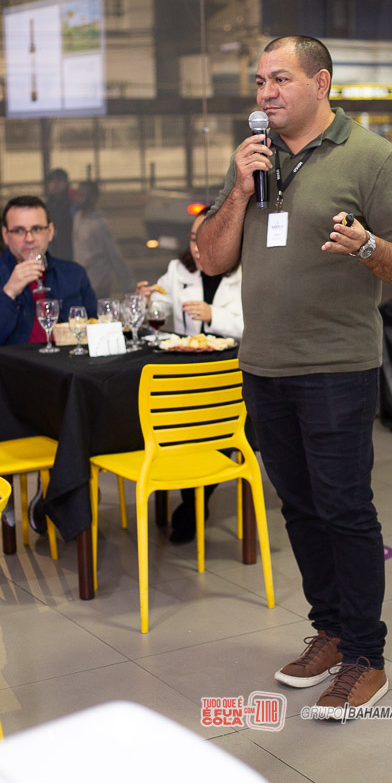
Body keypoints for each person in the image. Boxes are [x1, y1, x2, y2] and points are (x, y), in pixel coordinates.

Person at [198, 35, 392, 718]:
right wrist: (240, 189)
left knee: (344, 511)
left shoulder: (372, 158)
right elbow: (211, 256)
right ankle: (329, 631)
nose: (265, 93)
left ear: (321, 82)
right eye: (259, 81)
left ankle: (365, 656)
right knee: (298, 510)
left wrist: (367, 245)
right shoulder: (255, 158)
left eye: (280, 79)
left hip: (335, 368)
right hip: (263, 367)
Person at [137, 209, 244, 543]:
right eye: (195, 239)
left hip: (228, 375)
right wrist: (148, 300)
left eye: (208, 239)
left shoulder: (248, 270)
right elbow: (161, 308)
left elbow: (257, 324)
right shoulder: (178, 269)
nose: (198, 248)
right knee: (173, 423)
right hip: (187, 374)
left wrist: (214, 315)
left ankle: (196, 500)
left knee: (217, 426)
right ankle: (192, 496)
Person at [0, 194, 97, 414]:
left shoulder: (74, 274)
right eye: (19, 231)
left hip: (68, 387)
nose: (29, 238)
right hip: (8, 392)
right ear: (5, 235)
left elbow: (94, 330)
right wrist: (9, 292)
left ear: (50, 231)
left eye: (36, 229)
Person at [72, 181, 133, 299]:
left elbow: (114, 254)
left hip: (98, 283)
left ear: (93, 198)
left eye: (82, 195)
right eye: (77, 194)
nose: (77, 198)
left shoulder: (100, 224)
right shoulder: (78, 218)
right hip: (82, 281)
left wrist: (128, 286)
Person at [44, 167, 74, 259]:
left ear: (66, 183)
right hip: (52, 246)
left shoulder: (72, 203)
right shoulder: (47, 205)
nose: (55, 184)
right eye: (52, 181)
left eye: (59, 180)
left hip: (69, 245)